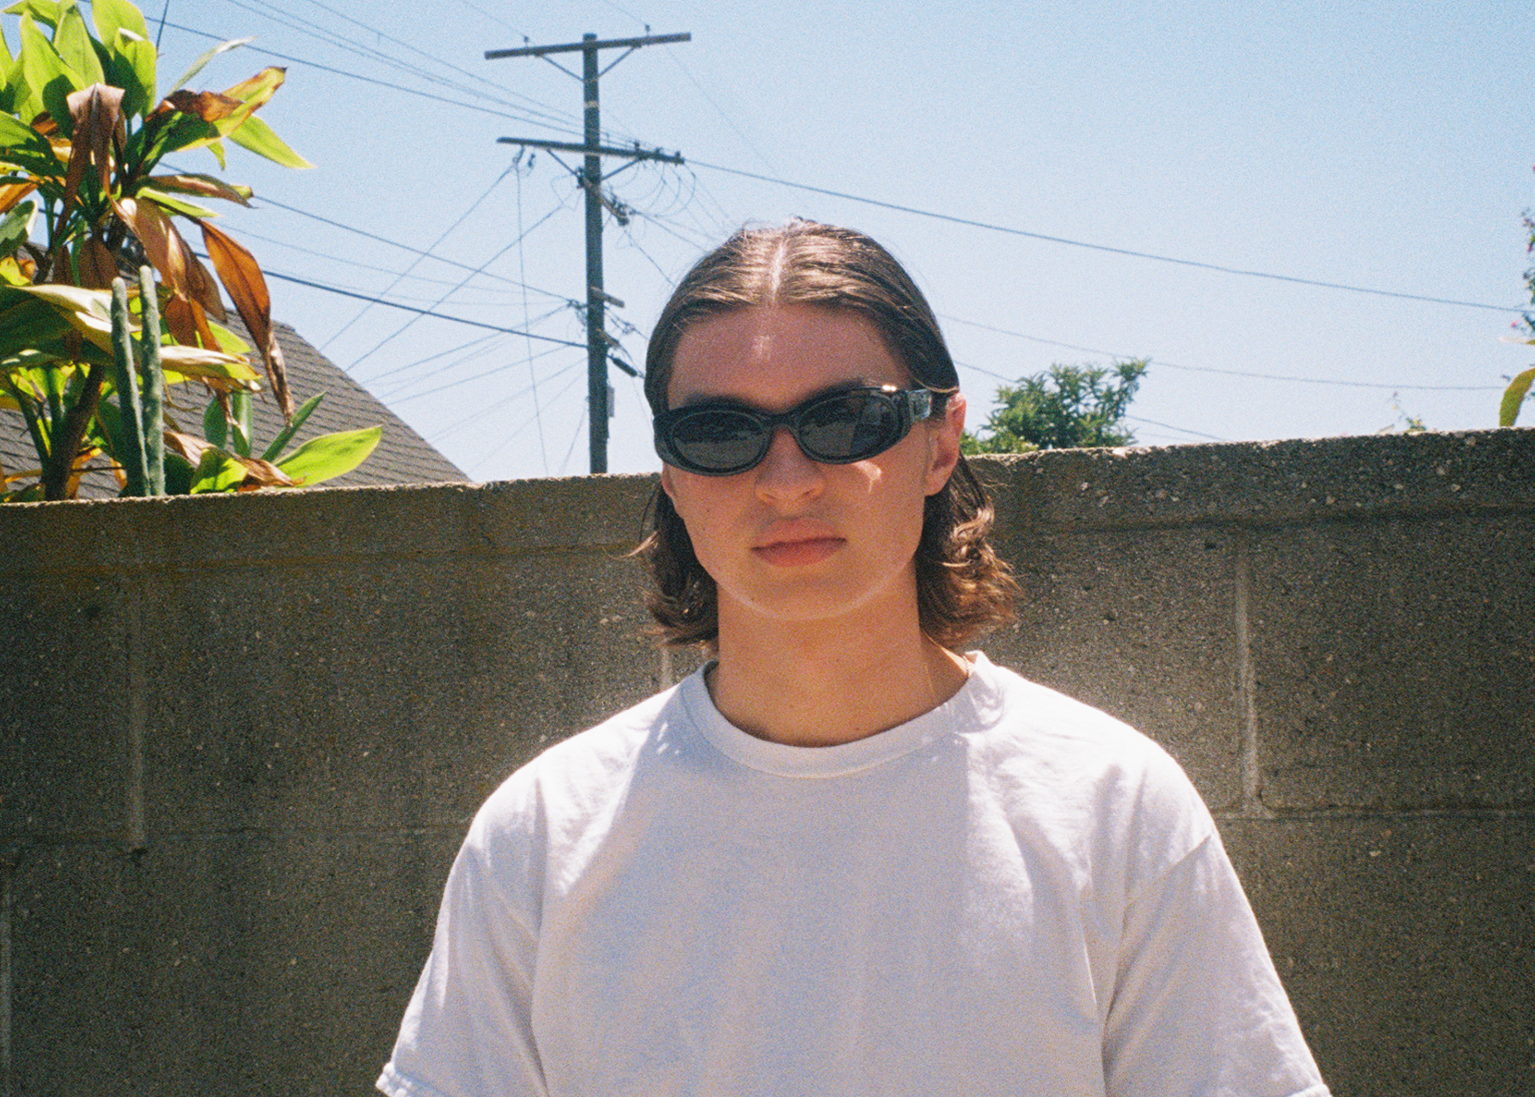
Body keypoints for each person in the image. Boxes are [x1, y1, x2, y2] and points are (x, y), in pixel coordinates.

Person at [377, 221, 1330, 1097]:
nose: (785, 480)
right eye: (719, 432)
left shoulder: (1114, 805)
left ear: (941, 441)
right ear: (671, 473)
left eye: (844, 419)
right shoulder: (542, 832)